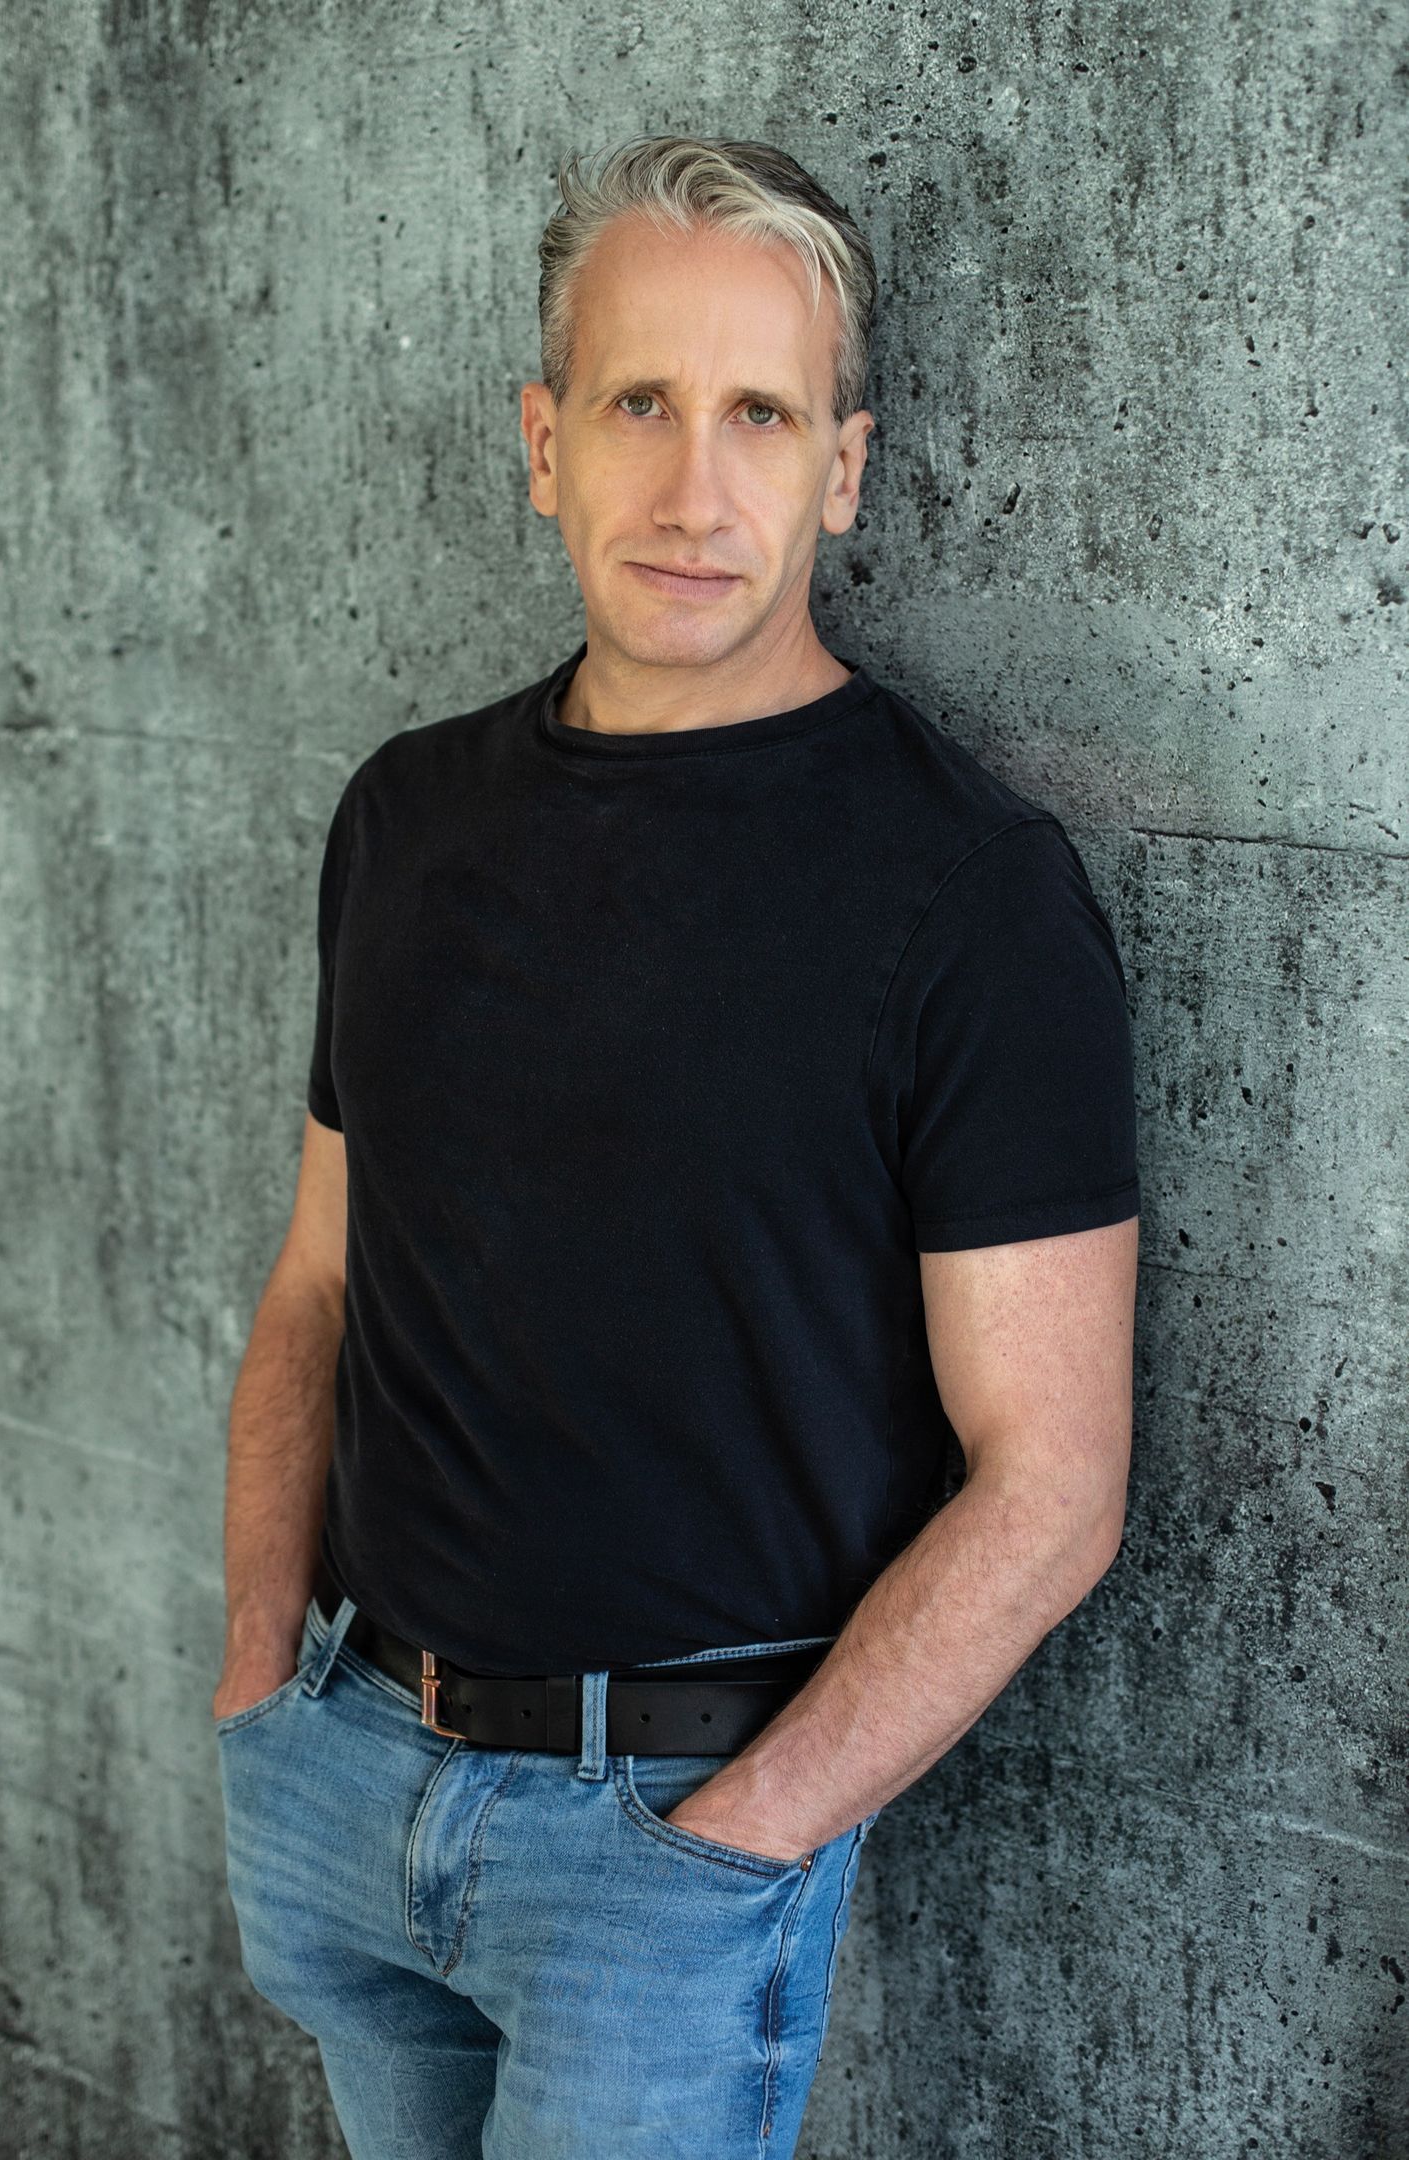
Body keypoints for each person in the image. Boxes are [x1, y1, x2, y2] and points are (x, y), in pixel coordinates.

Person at [210, 134, 1141, 2159]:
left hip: (665, 1849)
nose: (696, 489)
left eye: (762, 416)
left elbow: (1054, 1486)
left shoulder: (966, 897)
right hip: (344, 1773)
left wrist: (740, 1842)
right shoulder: (405, 820)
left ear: (845, 470)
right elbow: (318, 1283)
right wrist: (259, 1679)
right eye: (641, 402)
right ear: (544, 442)